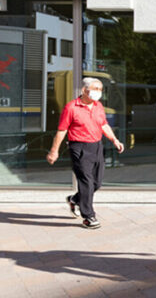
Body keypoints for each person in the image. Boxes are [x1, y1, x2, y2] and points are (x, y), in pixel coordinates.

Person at [47, 77, 124, 229]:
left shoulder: (98, 106)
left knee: (97, 182)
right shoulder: (71, 107)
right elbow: (62, 130)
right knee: (86, 182)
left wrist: (114, 140)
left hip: (97, 146)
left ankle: (75, 200)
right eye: (95, 89)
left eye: (100, 89)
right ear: (84, 90)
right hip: (79, 147)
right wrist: (54, 151)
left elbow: (103, 125)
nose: (98, 92)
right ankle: (89, 216)